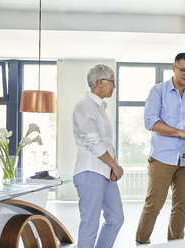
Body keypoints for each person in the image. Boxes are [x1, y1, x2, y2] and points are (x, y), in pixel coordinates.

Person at [136, 53, 185, 244]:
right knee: (154, 204)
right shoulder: (158, 91)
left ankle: (175, 243)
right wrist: (182, 133)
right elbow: (151, 122)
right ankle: (141, 241)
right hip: (162, 157)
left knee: (181, 205)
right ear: (174, 68)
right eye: (183, 70)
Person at [72, 64, 124, 248]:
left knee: (116, 218)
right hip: (89, 171)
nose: (114, 86)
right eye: (112, 82)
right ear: (100, 82)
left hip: (104, 172)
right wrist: (115, 165)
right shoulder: (84, 106)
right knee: (90, 224)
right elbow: (93, 141)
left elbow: (106, 143)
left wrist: (112, 166)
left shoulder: (100, 108)